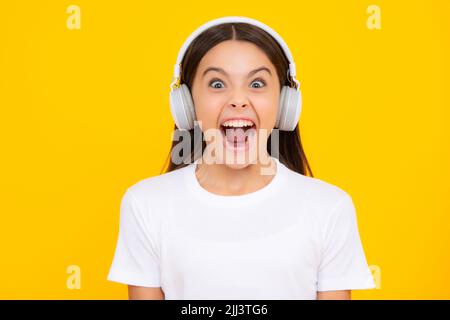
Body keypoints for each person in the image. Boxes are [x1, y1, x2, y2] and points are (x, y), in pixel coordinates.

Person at [107, 16, 376, 300]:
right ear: (187, 103)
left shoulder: (330, 208)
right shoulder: (145, 204)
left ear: (285, 103)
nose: (238, 100)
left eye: (257, 84)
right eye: (217, 84)